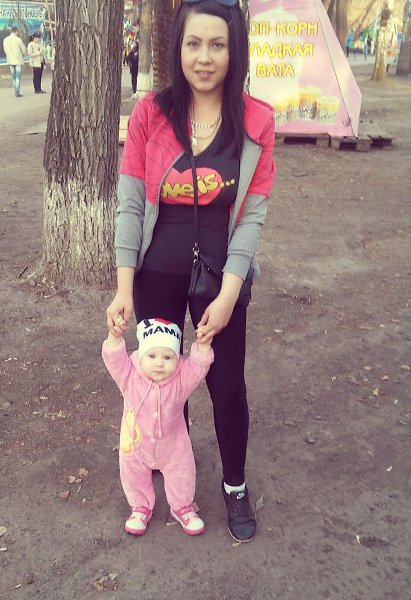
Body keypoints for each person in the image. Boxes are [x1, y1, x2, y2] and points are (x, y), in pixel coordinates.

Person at [106, 0, 276, 543]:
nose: (205, 57)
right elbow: (131, 203)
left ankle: (234, 484)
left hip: (219, 278)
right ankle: (165, 464)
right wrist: (124, 286)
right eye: (194, 43)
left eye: (218, 44)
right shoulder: (150, 115)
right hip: (156, 272)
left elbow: (250, 217)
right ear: (177, 48)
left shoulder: (256, 121)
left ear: (234, 50)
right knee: (160, 376)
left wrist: (228, 296)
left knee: (226, 385)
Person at [102, 317, 214, 535]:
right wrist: (114, 336)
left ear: (177, 359)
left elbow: (196, 369)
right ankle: (140, 508)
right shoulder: (129, 379)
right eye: (151, 356)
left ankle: (183, 507)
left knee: (181, 472)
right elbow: (115, 361)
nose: (159, 363)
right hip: (136, 445)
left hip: (173, 446)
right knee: (133, 474)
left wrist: (203, 346)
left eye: (167, 357)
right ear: (140, 356)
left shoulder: (180, 383)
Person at [2, 26, 25, 97]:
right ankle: (17, 91)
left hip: (10, 60)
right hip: (17, 60)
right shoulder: (18, 39)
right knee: (17, 76)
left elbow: (5, 50)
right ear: (16, 31)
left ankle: (15, 90)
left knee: (13, 76)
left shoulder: (5, 40)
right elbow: (24, 50)